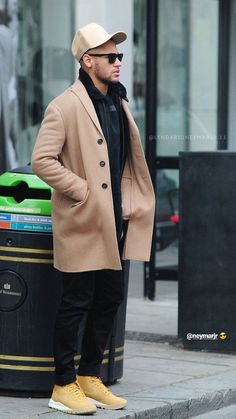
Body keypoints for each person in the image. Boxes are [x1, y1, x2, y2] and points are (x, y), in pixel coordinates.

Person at [32, 22, 155, 416]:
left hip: (115, 221)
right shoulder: (65, 105)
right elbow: (42, 160)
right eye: (110, 57)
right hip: (83, 221)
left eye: (119, 56)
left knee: (111, 297)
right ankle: (63, 384)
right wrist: (81, 189)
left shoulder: (117, 103)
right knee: (76, 302)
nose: (118, 62)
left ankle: (88, 376)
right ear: (88, 62)